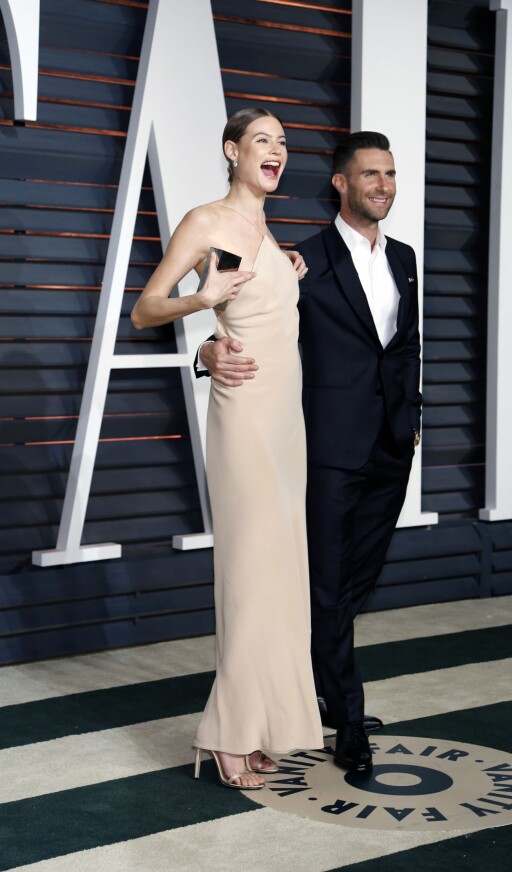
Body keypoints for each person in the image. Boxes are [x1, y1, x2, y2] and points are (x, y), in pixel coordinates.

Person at [199, 131, 422, 774]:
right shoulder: (304, 260)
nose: (383, 186)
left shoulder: (405, 257)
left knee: (353, 584)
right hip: (324, 448)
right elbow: (250, 325)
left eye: (390, 174)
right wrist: (207, 353)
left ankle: (318, 685)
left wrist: (411, 418)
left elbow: (401, 346)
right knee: (324, 584)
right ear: (341, 184)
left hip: (391, 446)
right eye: (370, 175)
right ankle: (347, 718)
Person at [131, 107, 323, 790]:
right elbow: (146, 307)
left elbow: (265, 308)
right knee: (247, 572)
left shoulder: (268, 235)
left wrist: (284, 265)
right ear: (232, 150)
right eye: (263, 141)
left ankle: (266, 724)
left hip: (285, 423)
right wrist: (201, 305)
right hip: (242, 416)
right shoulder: (206, 222)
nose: (277, 152)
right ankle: (228, 735)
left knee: (278, 577)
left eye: (284, 144)